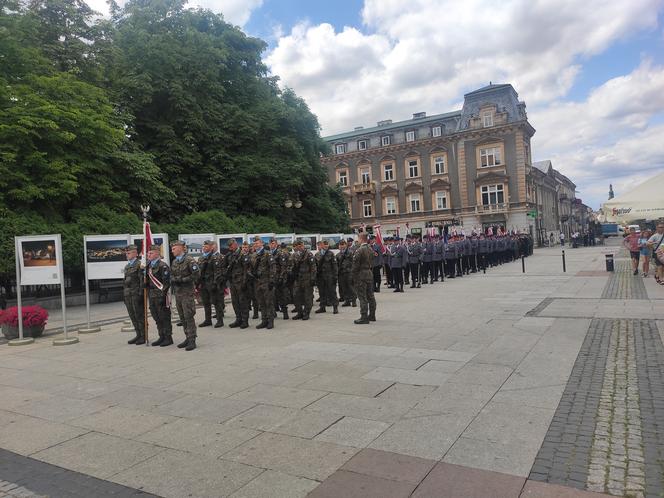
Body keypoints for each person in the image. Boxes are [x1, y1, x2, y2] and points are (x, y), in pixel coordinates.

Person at [170, 240, 200, 351]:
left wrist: (183, 280)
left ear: (181, 248)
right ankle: (187, 337)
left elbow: (196, 274)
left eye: (174, 248)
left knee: (188, 316)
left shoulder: (189, 260)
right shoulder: (174, 262)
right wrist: (174, 280)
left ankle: (192, 340)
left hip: (187, 293)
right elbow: (171, 275)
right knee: (182, 317)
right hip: (178, 293)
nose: (172, 250)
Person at [146, 245, 173, 347]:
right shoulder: (148, 266)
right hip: (152, 295)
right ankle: (161, 336)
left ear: (157, 253)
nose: (149, 255)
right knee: (156, 317)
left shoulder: (163, 266)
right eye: (148, 253)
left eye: (151, 253)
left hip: (161, 295)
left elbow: (166, 283)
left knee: (164, 317)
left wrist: (163, 296)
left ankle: (168, 337)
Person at [250, 236, 276, 329]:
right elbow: (251, 268)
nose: (256, 245)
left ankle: (270, 321)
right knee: (261, 302)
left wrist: (271, 281)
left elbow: (272, 268)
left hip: (266, 281)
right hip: (257, 282)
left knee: (269, 302)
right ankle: (264, 320)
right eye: (254, 244)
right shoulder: (253, 255)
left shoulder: (267, 254)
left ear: (261, 243)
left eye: (257, 243)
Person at [197, 240, 225, 328]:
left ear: (211, 247)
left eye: (206, 246)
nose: (204, 248)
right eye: (203, 247)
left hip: (212, 283)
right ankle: (208, 320)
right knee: (206, 302)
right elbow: (199, 272)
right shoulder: (201, 258)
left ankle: (220, 320)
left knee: (216, 302)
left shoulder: (214, 258)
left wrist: (215, 283)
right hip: (204, 283)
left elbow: (217, 272)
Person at [352, 231, 376, 324]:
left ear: (361, 239)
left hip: (361, 274)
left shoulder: (360, 250)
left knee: (362, 297)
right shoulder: (370, 248)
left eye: (358, 239)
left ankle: (364, 316)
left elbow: (355, 265)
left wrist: (353, 276)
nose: (357, 240)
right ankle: (372, 315)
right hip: (369, 273)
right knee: (371, 296)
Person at [123, 245, 145, 345]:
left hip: (136, 294)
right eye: (126, 253)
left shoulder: (139, 265)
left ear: (135, 253)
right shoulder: (127, 266)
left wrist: (141, 295)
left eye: (129, 253)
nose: (127, 255)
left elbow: (141, 281)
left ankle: (143, 336)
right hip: (128, 295)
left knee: (139, 315)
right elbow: (125, 282)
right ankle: (138, 334)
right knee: (132, 315)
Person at [227, 240, 251, 329]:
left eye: (231, 246)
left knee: (242, 301)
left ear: (236, 245)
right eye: (229, 246)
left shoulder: (242, 255)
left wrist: (244, 282)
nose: (230, 248)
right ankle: (238, 319)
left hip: (241, 282)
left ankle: (245, 321)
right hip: (233, 282)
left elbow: (246, 270)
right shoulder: (230, 255)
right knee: (235, 302)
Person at [291, 239, 317, 320]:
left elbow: (313, 267)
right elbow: (292, 266)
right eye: (296, 246)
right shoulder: (294, 255)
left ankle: (306, 313)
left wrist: (313, 278)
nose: (298, 247)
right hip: (298, 278)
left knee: (307, 296)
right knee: (296, 295)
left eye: (299, 245)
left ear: (302, 245)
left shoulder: (308, 254)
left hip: (307, 278)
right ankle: (300, 312)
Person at [315, 239, 339, 313]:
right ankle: (322, 307)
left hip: (329, 276)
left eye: (326, 244)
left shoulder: (331, 254)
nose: (325, 246)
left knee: (332, 292)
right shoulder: (317, 254)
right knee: (321, 292)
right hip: (320, 277)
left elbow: (335, 266)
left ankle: (335, 307)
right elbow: (315, 266)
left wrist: (335, 276)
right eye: (323, 244)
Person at [270, 239, 290, 320]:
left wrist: (281, 277)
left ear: (276, 244)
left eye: (273, 243)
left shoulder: (280, 253)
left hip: (279, 277)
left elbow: (283, 266)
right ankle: (273, 312)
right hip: (271, 277)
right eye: (271, 243)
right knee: (272, 296)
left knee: (281, 296)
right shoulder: (268, 253)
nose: (272, 245)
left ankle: (285, 312)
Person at [337, 239, 356, 306]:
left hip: (349, 272)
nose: (342, 246)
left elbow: (351, 262)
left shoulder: (350, 253)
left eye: (343, 244)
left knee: (350, 287)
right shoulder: (338, 254)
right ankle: (347, 300)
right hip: (342, 273)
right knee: (344, 287)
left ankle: (354, 301)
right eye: (340, 245)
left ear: (346, 245)